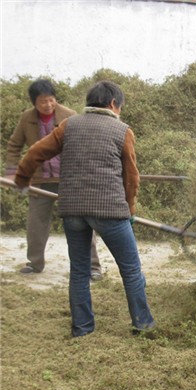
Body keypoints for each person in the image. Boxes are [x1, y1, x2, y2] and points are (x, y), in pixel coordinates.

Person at [15, 80, 155, 338]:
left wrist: (22, 179)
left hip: (73, 211)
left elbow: (36, 152)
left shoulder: (69, 125)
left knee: (79, 271)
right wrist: (131, 209)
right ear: (113, 104)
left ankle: (82, 329)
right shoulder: (122, 130)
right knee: (131, 269)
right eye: (120, 107)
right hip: (110, 211)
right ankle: (143, 325)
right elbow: (131, 177)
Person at [5, 79, 103, 279]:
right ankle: (35, 263)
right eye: (42, 101)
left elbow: (81, 145)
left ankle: (93, 267)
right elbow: (14, 145)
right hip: (40, 180)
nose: (48, 105)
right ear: (34, 102)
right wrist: (12, 171)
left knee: (81, 222)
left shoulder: (70, 116)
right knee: (36, 223)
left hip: (68, 179)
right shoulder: (26, 119)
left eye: (51, 100)